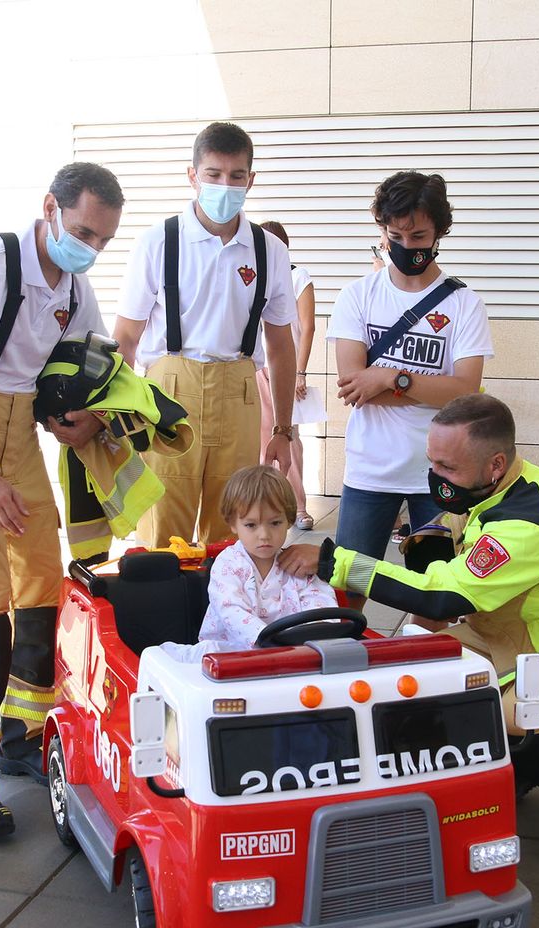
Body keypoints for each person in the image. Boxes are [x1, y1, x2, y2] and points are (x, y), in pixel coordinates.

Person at [280, 395, 539, 867]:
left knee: (536, 722)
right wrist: (414, 644)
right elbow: (435, 565)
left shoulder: (530, 518)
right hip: (510, 629)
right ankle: (510, 764)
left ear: (495, 464)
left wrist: (335, 562)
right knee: (404, 682)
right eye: (431, 461)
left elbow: (443, 599)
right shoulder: (485, 488)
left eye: (447, 467)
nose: (435, 476)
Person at [0, 162, 123, 841]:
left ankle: (22, 736)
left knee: (41, 586)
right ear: (49, 209)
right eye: (82, 232)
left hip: (16, 429)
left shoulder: (74, 286)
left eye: (101, 241)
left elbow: (90, 365)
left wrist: (92, 419)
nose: (88, 249)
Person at [113, 121, 297, 547]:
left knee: (234, 527)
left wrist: (283, 430)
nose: (224, 186)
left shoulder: (270, 250)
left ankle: (224, 613)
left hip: (240, 393)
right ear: (192, 175)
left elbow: (281, 344)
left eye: (236, 177)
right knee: (162, 526)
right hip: (168, 391)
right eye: (213, 174)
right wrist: (116, 419)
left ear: (251, 180)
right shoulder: (158, 242)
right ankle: (164, 613)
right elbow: (126, 336)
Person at [327, 172, 492, 610]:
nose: (405, 245)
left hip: (439, 474)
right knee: (348, 588)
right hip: (369, 471)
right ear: (381, 230)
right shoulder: (357, 297)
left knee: (437, 595)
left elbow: (464, 392)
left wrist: (389, 377)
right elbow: (351, 385)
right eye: (394, 235)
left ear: (440, 232)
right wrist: (423, 387)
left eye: (418, 235)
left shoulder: (463, 304)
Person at [161, 465, 335, 662]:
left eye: (275, 523)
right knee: (186, 657)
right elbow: (231, 609)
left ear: (288, 520)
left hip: (292, 655)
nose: (264, 535)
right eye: (251, 525)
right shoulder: (228, 564)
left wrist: (320, 630)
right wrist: (267, 643)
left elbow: (320, 602)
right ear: (233, 523)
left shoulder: (298, 564)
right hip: (231, 654)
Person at [255, 221, 314, 530]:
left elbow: (307, 327)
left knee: (288, 436)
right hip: (254, 367)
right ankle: (267, 507)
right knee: (260, 440)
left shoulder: (296, 276)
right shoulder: (252, 274)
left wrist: (300, 371)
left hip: (285, 368)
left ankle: (298, 506)